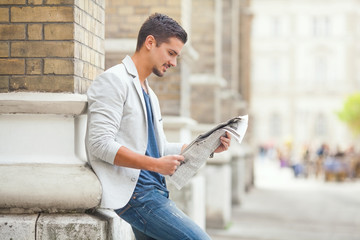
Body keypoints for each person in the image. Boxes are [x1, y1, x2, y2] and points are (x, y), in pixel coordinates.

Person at [85, 13, 231, 240]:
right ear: (150, 42)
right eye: (171, 53)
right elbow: (99, 144)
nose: (173, 62)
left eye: (177, 56)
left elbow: (158, 148)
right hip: (136, 196)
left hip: (156, 192)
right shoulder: (113, 80)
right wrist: (155, 165)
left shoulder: (150, 94)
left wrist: (208, 147)